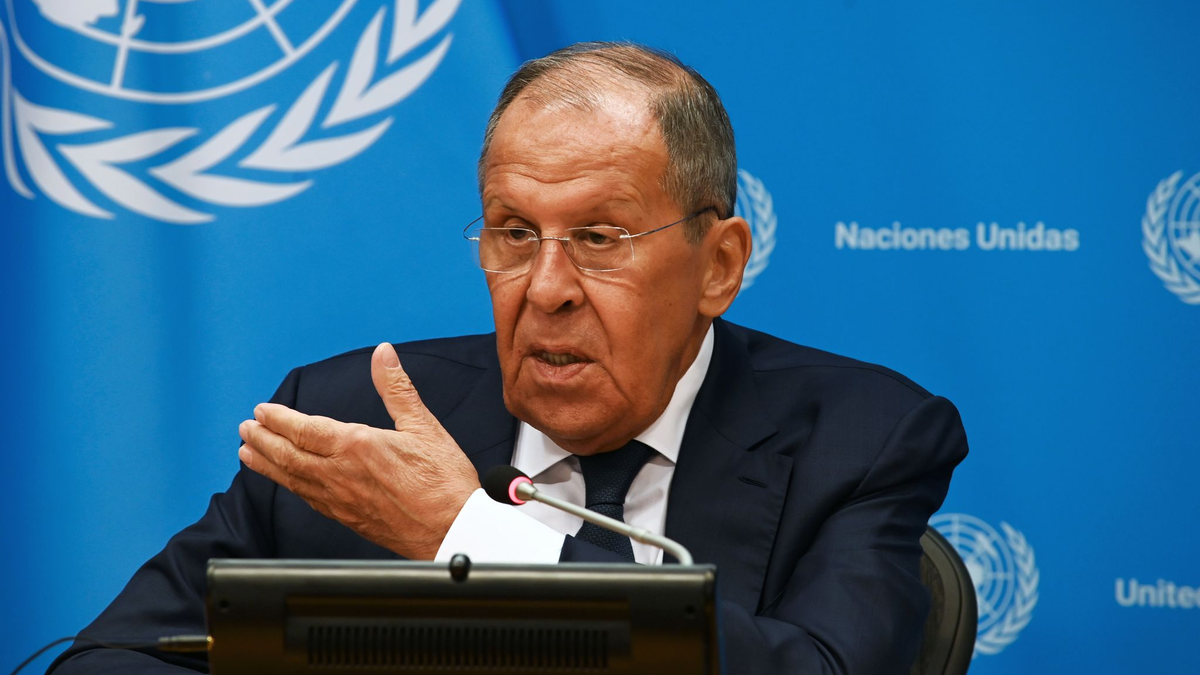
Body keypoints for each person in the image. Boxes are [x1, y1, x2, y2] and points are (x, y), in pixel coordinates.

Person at [48, 42, 968, 674]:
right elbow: (113, 655)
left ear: (718, 265)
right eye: (514, 233)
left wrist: (472, 537)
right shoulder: (353, 419)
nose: (545, 287)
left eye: (600, 238)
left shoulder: (861, 438)